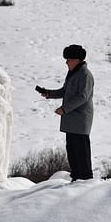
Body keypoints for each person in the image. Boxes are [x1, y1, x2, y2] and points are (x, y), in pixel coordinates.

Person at [35, 44, 95, 181]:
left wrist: (64, 109)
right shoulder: (73, 74)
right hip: (71, 120)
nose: (66, 62)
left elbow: (83, 96)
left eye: (68, 59)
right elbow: (64, 91)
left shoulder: (85, 75)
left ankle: (85, 179)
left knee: (81, 151)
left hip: (80, 120)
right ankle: (76, 177)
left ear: (77, 60)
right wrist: (48, 93)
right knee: (72, 151)